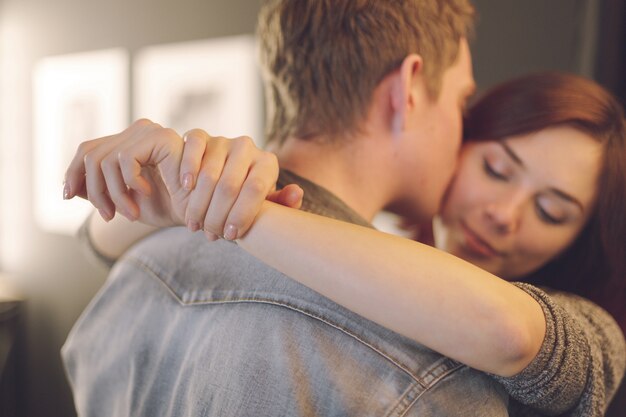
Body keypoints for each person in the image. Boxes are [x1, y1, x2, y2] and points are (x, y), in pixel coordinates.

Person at [65, 70, 626, 416]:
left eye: (552, 210)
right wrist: (180, 197)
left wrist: (228, 208)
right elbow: (98, 243)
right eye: (498, 169)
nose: (505, 214)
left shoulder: (595, 333)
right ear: (460, 143)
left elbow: (506, 331)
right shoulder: (357, 249)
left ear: (583, 236)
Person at [62, 1, 510, 416]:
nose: (461, 132)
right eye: (460, 100)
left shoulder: (142, 256)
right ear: (408, 88)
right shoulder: (432, 370)